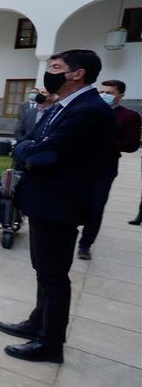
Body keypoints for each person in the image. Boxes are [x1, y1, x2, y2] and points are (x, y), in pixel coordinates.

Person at [0, 49, 113, 364]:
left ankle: (50, 343)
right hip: (45, 200)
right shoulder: (63, 106)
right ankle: (39, 322)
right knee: (44, 270)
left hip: (60, 203)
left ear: (77, 73)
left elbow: (41, 155)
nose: (50, 72)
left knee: (54, 276)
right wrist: (28, 149)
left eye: (56, 67)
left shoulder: (87, 110)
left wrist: (27, 150)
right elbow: (29, 141)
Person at [76, 79, 141, 259]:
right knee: (74, 201)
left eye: (109, 93)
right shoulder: (89, 111)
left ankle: (85, 244)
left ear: (120, 95)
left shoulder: (129, 116)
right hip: (80, 165)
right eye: (101, 91)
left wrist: (105, 144)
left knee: (96, 206)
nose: (104, 95)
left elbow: (132, 144)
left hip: (105, 167)